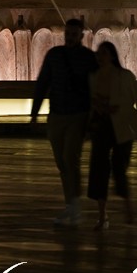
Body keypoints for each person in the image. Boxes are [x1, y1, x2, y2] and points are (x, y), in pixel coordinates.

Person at [30, 17, 98, 226]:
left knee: (71, 159)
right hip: (57, 115)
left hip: (78, 115)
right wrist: (34, 112)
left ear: (82, 36)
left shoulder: (89, 58)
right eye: (67, 34)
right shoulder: (54, 55)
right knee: (62, 162)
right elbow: (43, 83)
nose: (69, 38)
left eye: (74, 35)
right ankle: (70, 204)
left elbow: (95, 89)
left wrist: (93, 121)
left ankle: (74, 206)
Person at [87, 41, 137, 229]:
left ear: (112, 55)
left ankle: (128, 206)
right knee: (99, 169)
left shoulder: (126, 76)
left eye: (103, 53)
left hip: (122, 126)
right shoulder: (93, 77)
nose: (99, 56)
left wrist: (135, 120)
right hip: (101, 126)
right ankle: (102, 215)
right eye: (98, 53)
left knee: (119, 167)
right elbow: (90, 100)